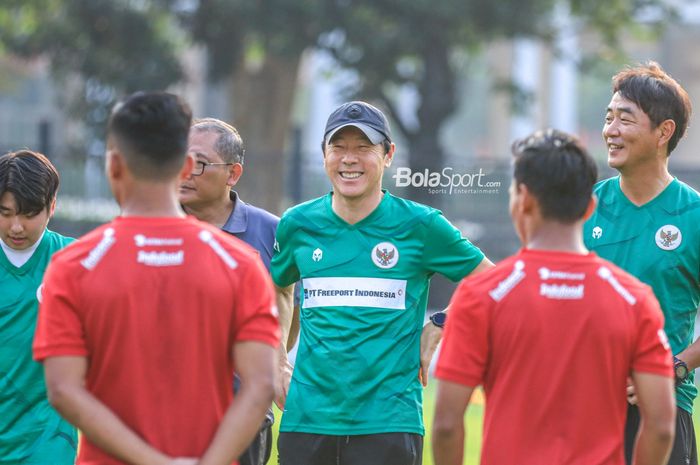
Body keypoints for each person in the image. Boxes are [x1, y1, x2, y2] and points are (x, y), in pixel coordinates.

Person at [33, 91, 279, 465]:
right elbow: (261, 385)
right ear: (183, 167)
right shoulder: (241, 265)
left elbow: (63, 389)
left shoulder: (73, 265)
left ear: (113, 166)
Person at [433, 128, 676, 465]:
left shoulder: (481, 295)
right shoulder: (634, 298)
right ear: (590, 207)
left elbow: (446, 423)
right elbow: (662, 425)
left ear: (523, 198)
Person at [271, 100, 493, 465]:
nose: (349, 159)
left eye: (363, 148)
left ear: (388, 155)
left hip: (389, 421)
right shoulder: (297, 223)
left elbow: (494, 281)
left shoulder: (421, 225)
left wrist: (441, 324)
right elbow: (279, 286)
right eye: (338, 147)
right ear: (324, 154)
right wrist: (278, 357)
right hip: (306, 420)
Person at [583, 62, 698, 465]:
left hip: (660, 411)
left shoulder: (694, 216)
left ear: (664, 132)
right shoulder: (582, 208)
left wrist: (676, 367)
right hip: (582, 412)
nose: (610, 131)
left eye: (625, 119)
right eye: (608, 118)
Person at [179, 117, 285, 465]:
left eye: (200, 163)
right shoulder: (158, 228)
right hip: (167, 416)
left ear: (233, 173)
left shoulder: (271, 232)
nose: (186, 171)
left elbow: (286, 316)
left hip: (244, 418)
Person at [0, 149, 76, 465]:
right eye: (5, 212)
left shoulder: (75, 262)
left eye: (29, 214)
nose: (16, 226)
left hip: (49, 436)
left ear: (52, 206)